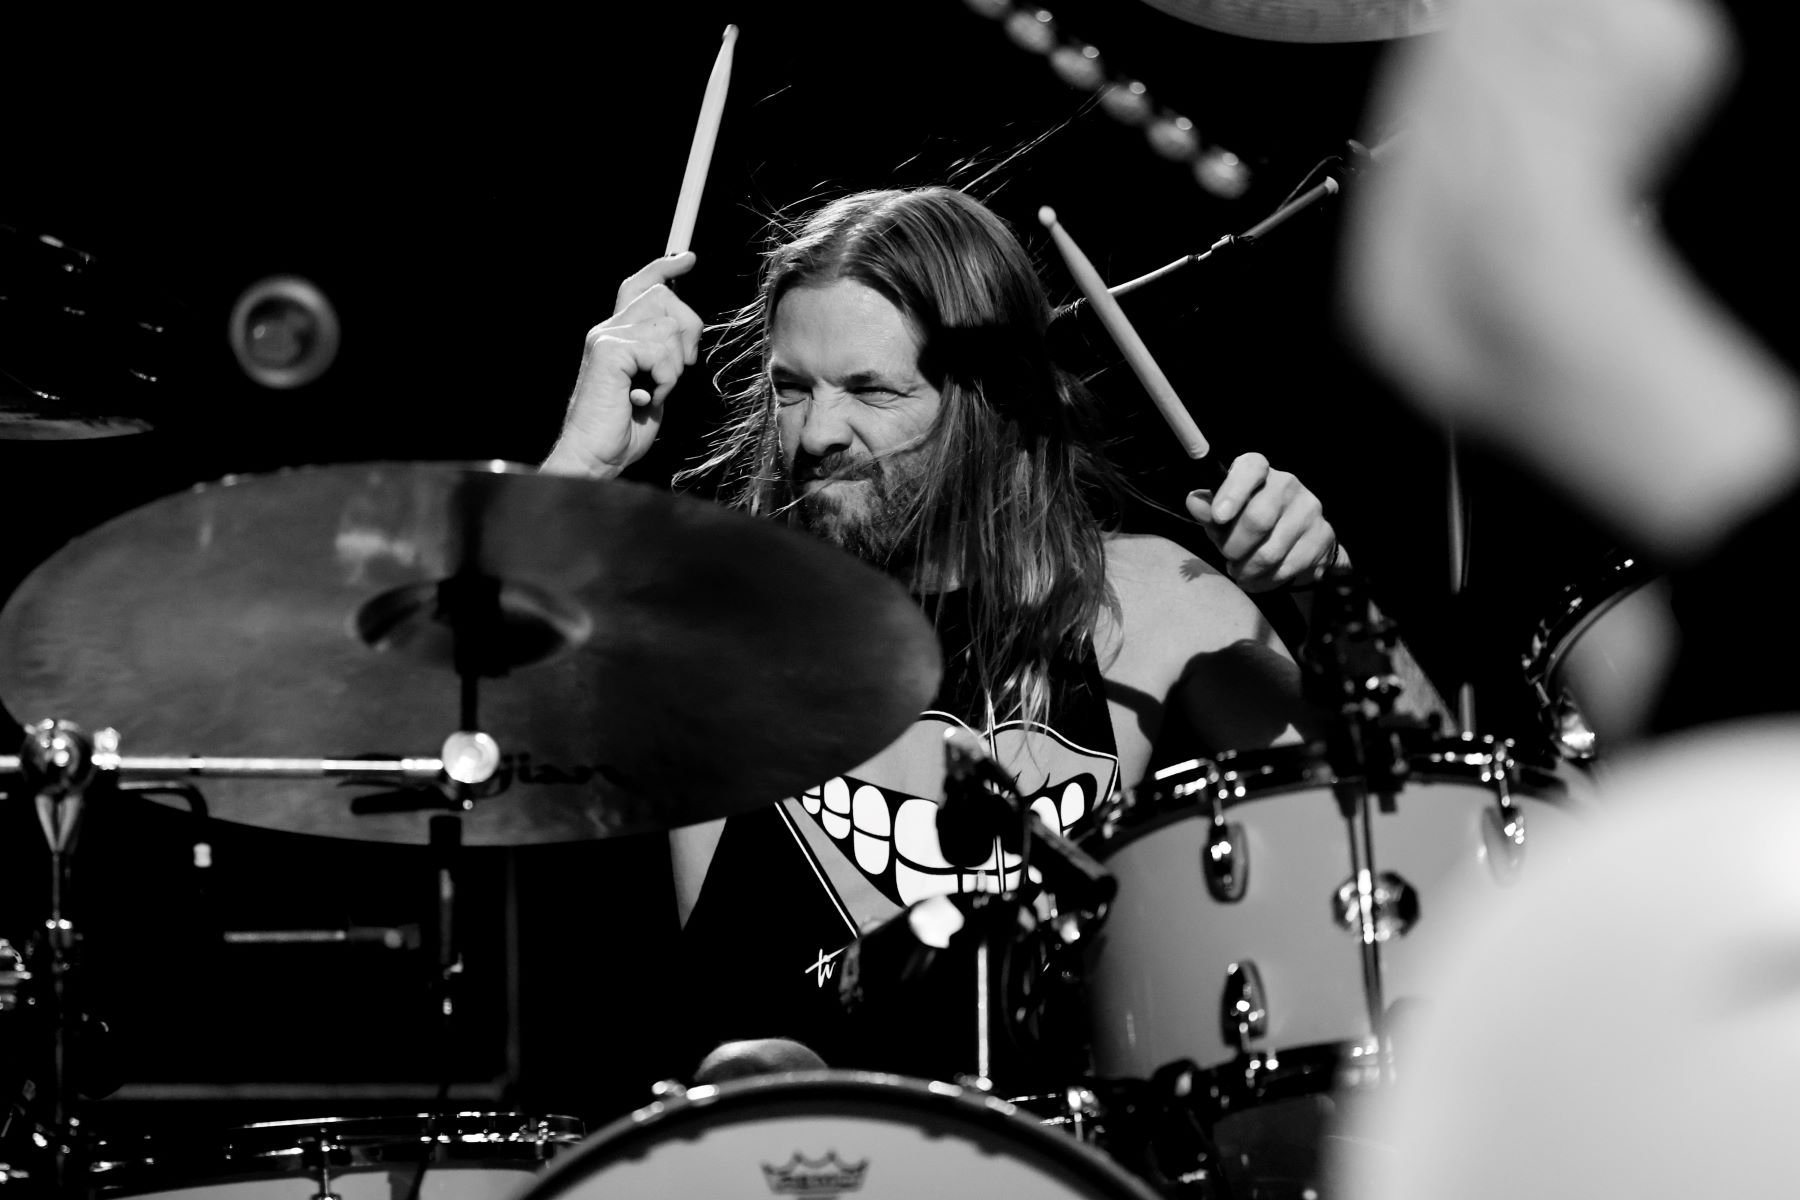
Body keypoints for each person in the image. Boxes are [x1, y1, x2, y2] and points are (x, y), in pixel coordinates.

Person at [542, 187, 1352, 1085]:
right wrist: (582, 469)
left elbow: (1402, 857)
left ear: (993, 400)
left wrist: (1331, 599)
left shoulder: (1153, 604)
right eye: (790, 388)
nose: (816, 434)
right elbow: (442, 735)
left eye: (869, 391)